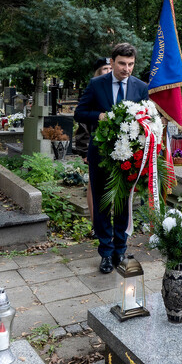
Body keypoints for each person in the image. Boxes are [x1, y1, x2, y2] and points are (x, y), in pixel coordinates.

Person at [74, 44, 149, 273]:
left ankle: (120, 250)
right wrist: (100, 116)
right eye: (122, 64)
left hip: (128, 156)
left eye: (131, 64)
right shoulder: (97, 84)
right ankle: (105, 253)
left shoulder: (140, 87)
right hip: (101, 153)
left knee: (123, 203)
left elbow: (146, 118)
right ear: (113, 62)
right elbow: (79, 113)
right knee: (103, 203)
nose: (127, 68)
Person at [75, 57, 111, 221]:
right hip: (95, 145)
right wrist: (84, 150)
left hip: (113, 146)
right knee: (94, 185)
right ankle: (94, 220)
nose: (108, 72)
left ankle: (106, 219)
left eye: (110, 68)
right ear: (98, 72)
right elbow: (83, 122)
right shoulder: (94, 88)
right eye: (105, 69)